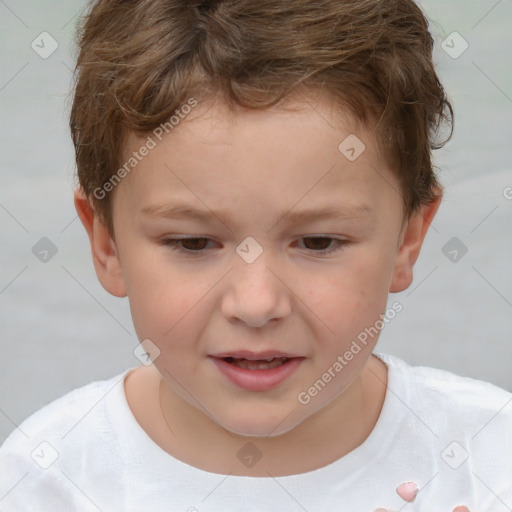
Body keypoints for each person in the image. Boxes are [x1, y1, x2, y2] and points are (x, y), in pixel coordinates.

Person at [1, 0, 510, 510]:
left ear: (407, 240)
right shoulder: (49, 479)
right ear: (106, 243)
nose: (257, 303)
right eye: (193, 243)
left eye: (318, 242)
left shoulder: (487, 462)